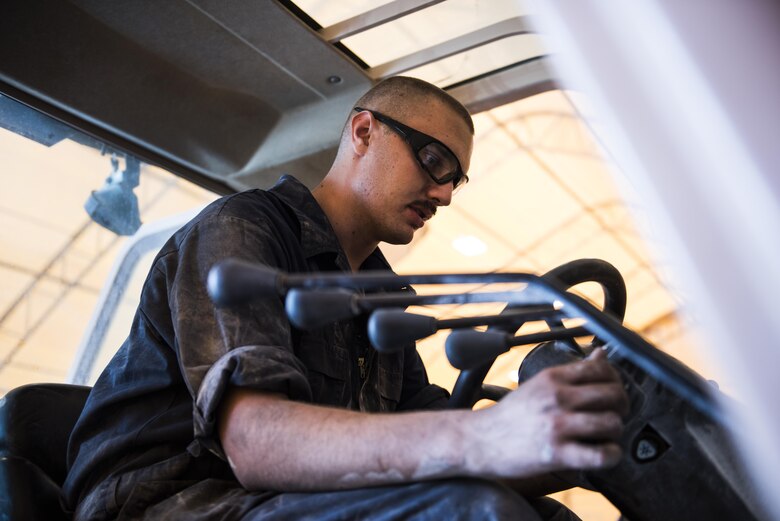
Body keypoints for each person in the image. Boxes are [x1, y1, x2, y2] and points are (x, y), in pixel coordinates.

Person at [63, 76, 628, 520]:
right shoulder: (242, 232)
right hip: (166, 502)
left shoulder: (379, 298)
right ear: (363, 132)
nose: (444, 194)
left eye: (456, 179)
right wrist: (484, 436)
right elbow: (256, 443)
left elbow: (425, 437)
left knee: (542, 513)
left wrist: (576, 440)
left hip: (289, 500)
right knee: (475, 511)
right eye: (433, 162)